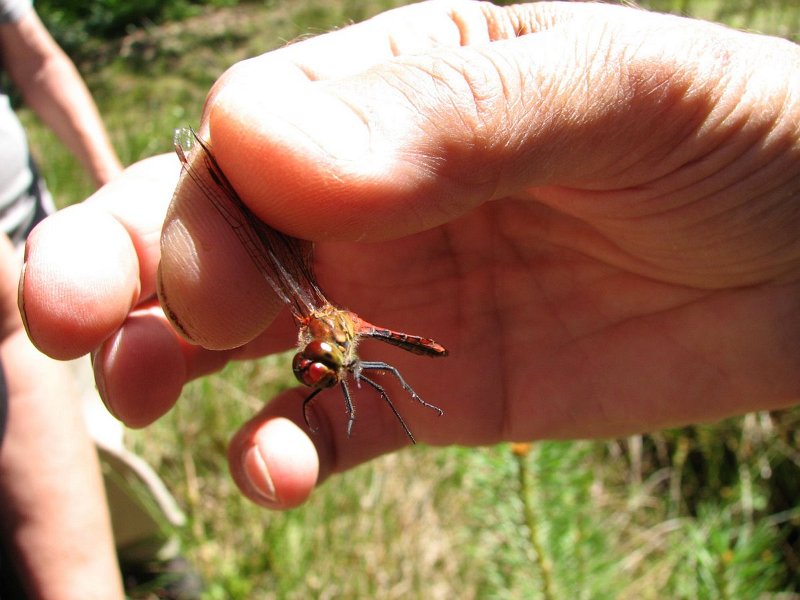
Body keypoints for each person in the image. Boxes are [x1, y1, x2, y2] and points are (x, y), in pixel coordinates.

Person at [17, 0, 800, 513]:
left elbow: (364, 367)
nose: (316, 370)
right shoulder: (325, 329)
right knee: (361, 377)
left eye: (316, 367)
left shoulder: (325, 324)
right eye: (321, 370)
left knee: (360, 365)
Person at [0, 1, 199, 597]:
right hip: (26, 294)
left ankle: (150, 556)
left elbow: (37, 60)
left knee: (95, 433)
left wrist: (111, 179)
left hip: (37, 243)